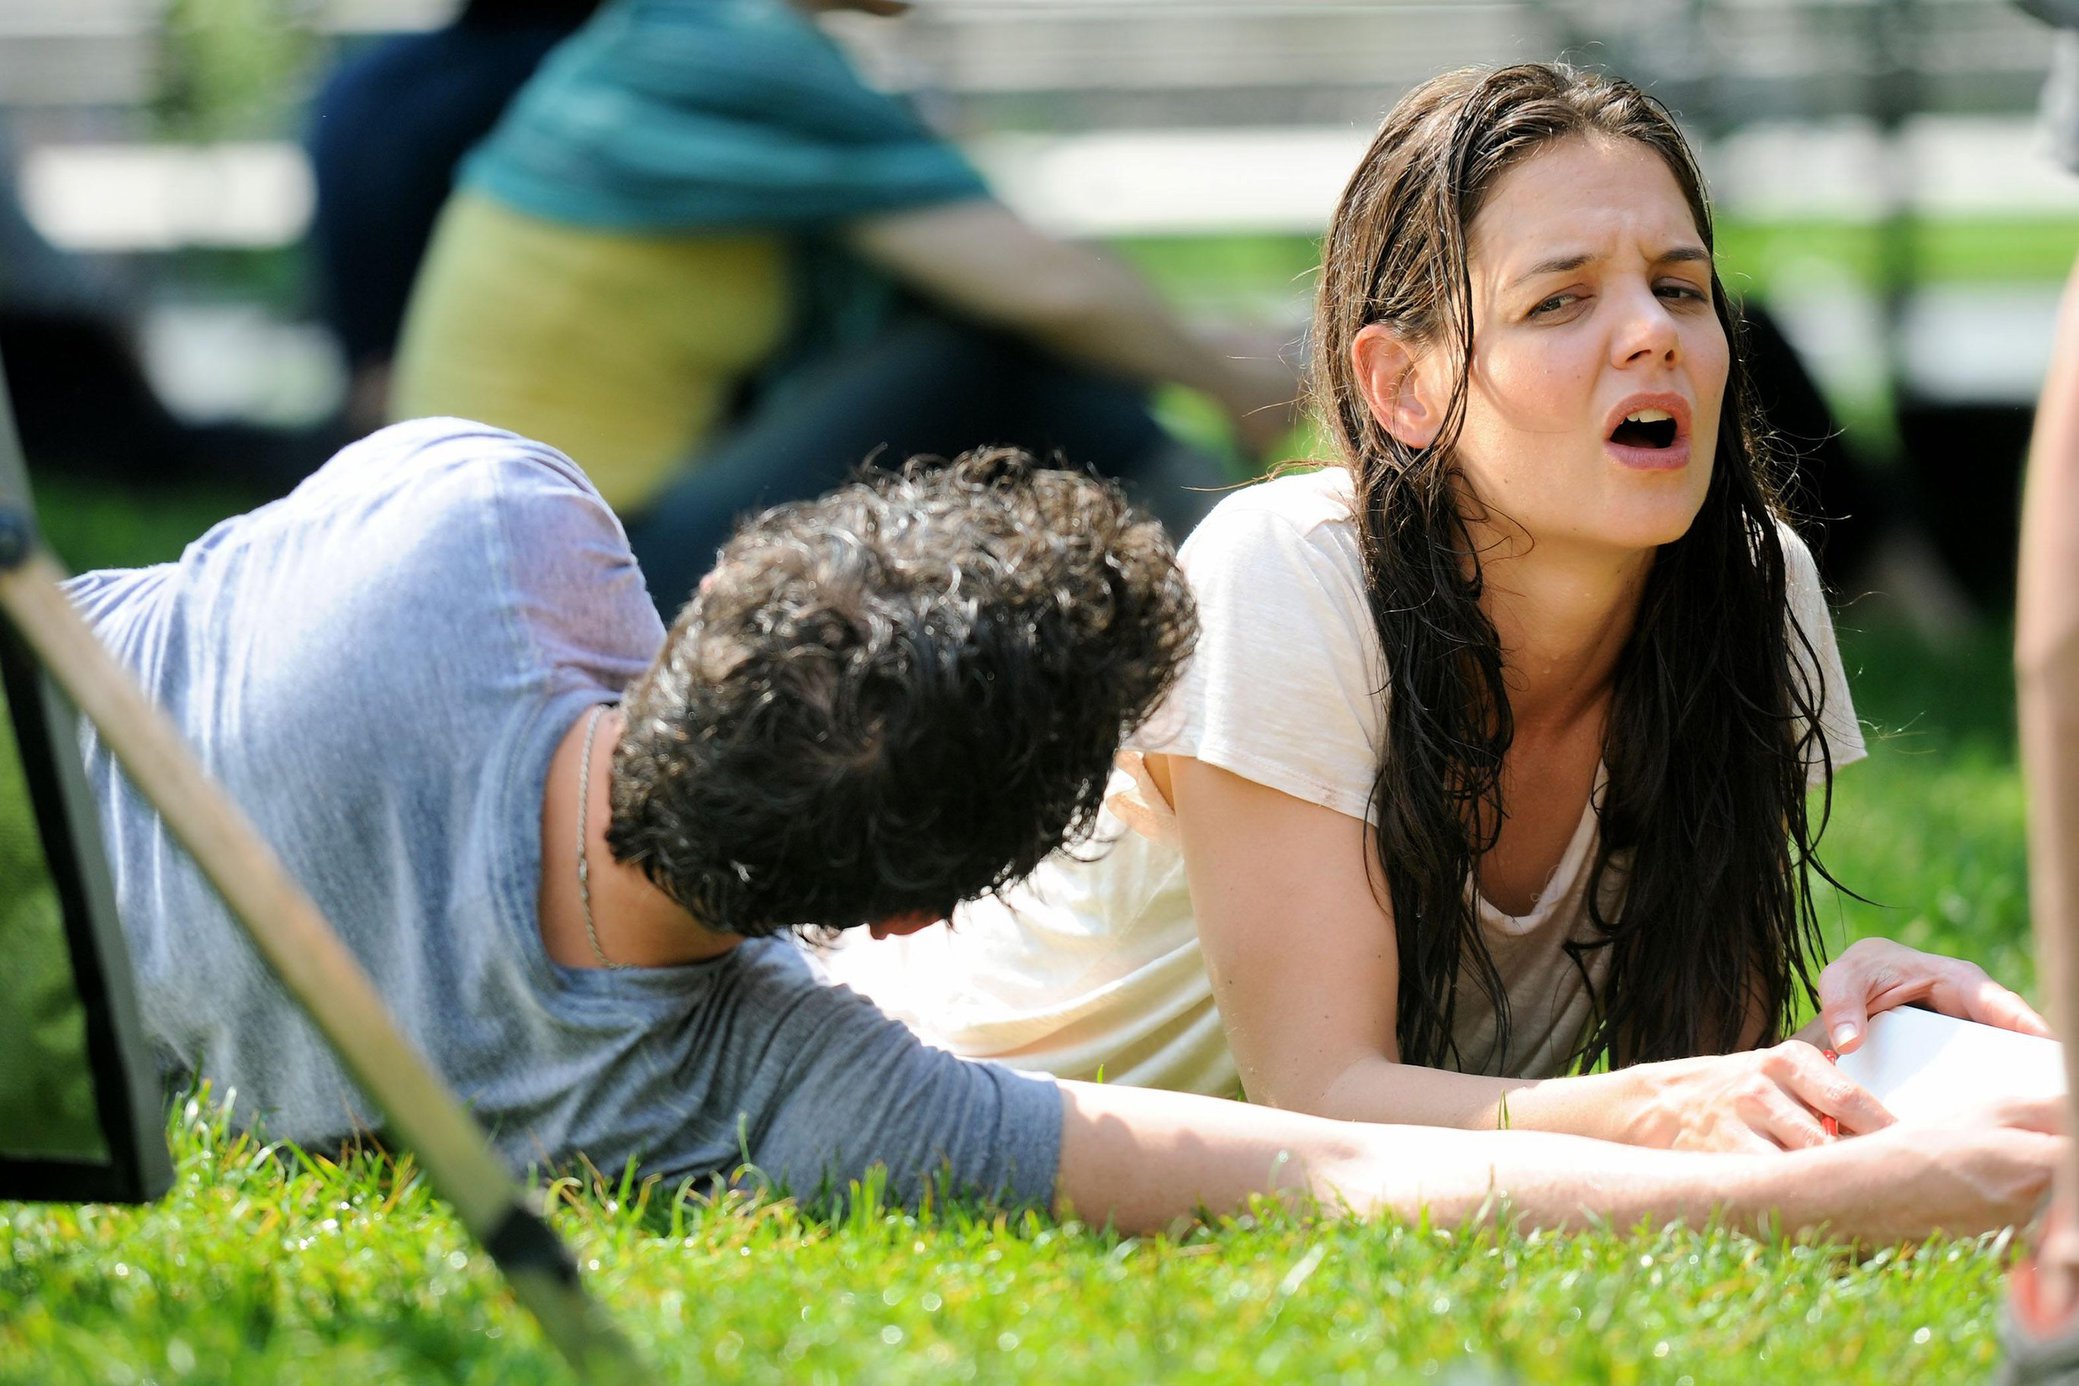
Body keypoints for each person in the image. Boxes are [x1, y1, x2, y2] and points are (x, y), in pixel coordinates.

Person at [63, 415, 2061, 1239]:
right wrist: (1861, 1181)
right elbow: (1326, 1178)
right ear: (928, 911)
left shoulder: (477, 532)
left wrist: (1690, 1092)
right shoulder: (757, 1094)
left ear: (756, 568)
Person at [823, 61, 2049, 1153]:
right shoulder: (1290, 574)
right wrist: (1682, 1105)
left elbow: (1685, 1090)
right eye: (1559, 300)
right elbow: (1323, 1102)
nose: (1652, 336)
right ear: (1403, 386)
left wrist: (1859, 1043)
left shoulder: (1754, 586)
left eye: (1680, 288)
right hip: (890, 1081)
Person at [388, 0, 1294, 616]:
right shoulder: (730, 55)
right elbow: (1042, 286)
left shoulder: (669, 35)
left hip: (519, 562)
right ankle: (1245, 600)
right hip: (585, 585)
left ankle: (1218, 591)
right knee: (990, 355)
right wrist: (1234, 378)